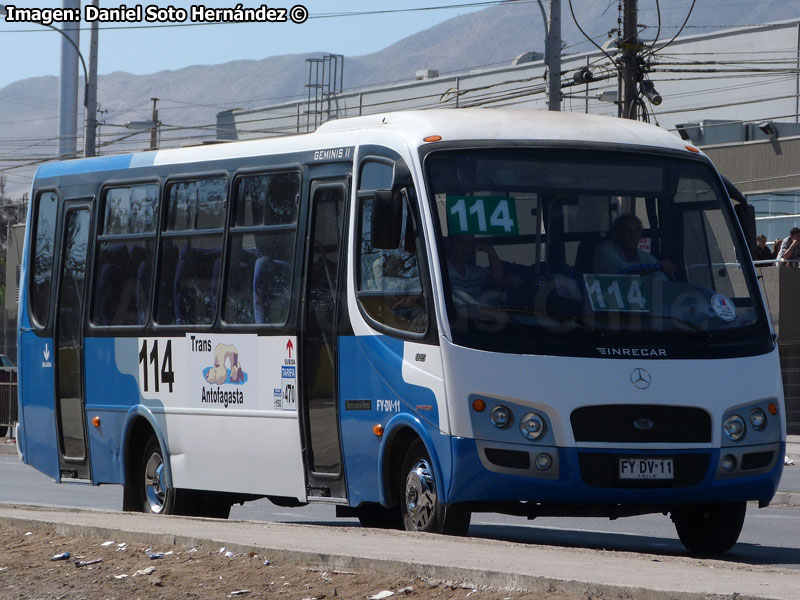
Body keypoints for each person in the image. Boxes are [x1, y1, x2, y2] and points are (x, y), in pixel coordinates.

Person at [592, 214, 677, 277]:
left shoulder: (645, 257)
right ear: (616, 233)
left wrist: (662, 267)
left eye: (636, 231)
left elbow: (660, 280)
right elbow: (622, 271)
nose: (633, 236)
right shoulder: (604, 251)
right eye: (627, 231)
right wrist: (655, 267)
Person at [446, 234, 508, 301]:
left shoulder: (475, 272)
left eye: (470, 242)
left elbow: (497, 280)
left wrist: (490, 250)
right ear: (449, 243)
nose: (466, 246)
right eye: (460, 241)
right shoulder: (442, 272)